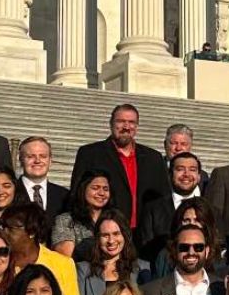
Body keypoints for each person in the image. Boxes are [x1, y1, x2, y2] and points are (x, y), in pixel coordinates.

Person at [71, 104, 172, 261]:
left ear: (137, 126)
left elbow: (164, 198)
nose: (126, 126)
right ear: (111, 124)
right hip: (106, 236)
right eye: (121, 121)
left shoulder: (154, 158)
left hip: (145, 238)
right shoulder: (90, 153)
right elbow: (76, 193)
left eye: (131, 122)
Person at [2, 203, 85, 295]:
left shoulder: (62, 264)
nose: (4, 232)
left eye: (11, 228)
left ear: (31, 231)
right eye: (3, 227)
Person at [143, 222, 214, 295]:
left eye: (198, 247)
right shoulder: (151, 293)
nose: (191, 252)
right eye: (184, 247)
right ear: (174, 251)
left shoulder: (223, 289)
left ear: (206, 251)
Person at [76, 212, 145, 295]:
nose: (111, 241)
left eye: (116, 234)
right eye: (105, 235)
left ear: (125, 236)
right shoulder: (83, 270)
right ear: (98, 239)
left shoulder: (142, 268)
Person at [52, 169, 119, 259]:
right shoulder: (66, 220)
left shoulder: (116, 219)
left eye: (105, 189)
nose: (101, 193)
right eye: (95, 188)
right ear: (83, 190)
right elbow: (65, 255)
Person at [15, 136, 69, 220]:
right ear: (21, 160)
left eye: (43, 156)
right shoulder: (9, 193)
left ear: (50, 161)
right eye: (30, 156)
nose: (37, 161)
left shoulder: (65, 196)